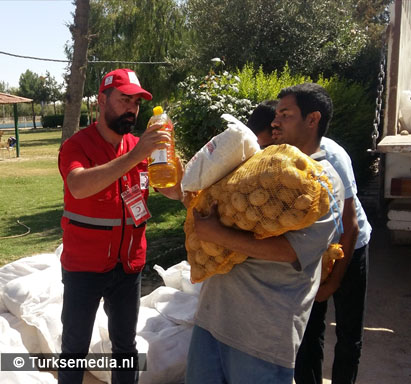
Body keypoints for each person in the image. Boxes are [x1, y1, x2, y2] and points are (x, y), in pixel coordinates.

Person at [185, 83, 345, 383]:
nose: (275, 121)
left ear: (312, 120)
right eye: (277, 114)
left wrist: (215, 234)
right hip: (213, 317)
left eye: (285, 114)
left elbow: (291, 251)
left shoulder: (324, 183)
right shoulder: (258, 162)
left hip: (261, 334)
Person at [58, 68, 183, 384]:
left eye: (136, 102)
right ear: (102, 100)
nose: (132, 108)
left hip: (129, 266)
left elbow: (171, 190)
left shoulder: (141, 147)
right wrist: (136, 154)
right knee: (74, 349)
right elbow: (78, 186)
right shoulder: (78, 145)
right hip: (84, 268)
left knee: (126, 347)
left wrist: (172, 157)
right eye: (124, 99)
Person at [294, 135, 372, 384]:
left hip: (350, 246)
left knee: (349, 334)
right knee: (308, 332)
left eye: (286, 115)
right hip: (315, 250)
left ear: (311, 120)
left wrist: (334, 281)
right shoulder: (279, 156)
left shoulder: (332, 155)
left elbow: (350, 227)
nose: (278, 125)